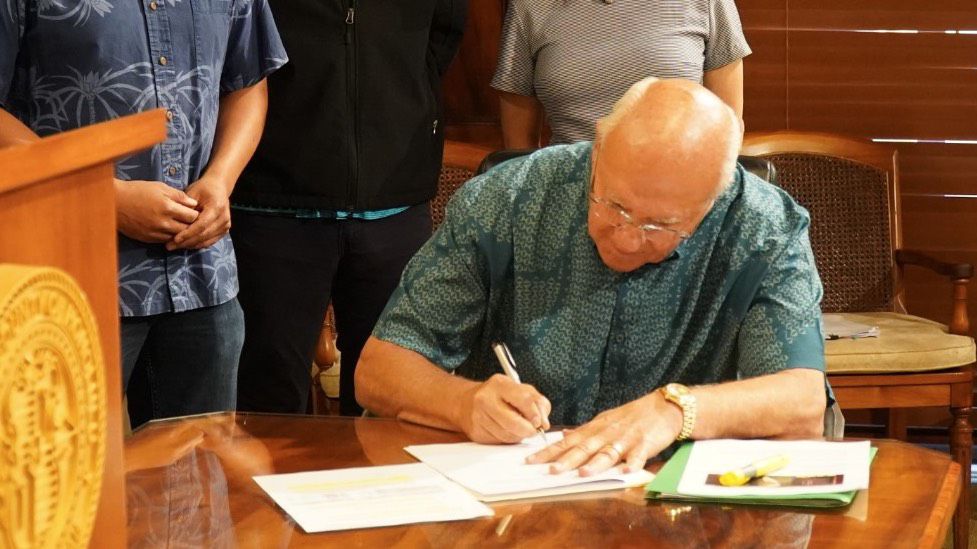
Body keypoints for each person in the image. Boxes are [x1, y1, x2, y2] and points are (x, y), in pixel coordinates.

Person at [356, 78, 827, 476]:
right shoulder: (506, 199)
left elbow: (802, 403)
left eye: (659, 226)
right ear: (599, 144)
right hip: (515, 499)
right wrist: (463, 403)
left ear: (714, 201)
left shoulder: (764, 227)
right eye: (614, 205)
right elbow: (379, 370)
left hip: (674, 509)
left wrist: (674, 410)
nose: (625, 238)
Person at [0, 0, 287, 425]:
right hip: (68, 282)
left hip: (202, 278)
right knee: (69, 480)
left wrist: (221, 181)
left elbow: (246, 84)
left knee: (200, 475)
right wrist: (100, 196)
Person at [231, 1, 468, 416]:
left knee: (393, 399)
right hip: (274, 203)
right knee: (268, 402)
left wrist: (396, 102)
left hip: (394, 203)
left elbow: (443, 33)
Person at [491, 0, 751, 148]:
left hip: (679, 196)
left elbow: (727, 131)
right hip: (569, 195)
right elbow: (518, 150)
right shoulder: (529, 6)